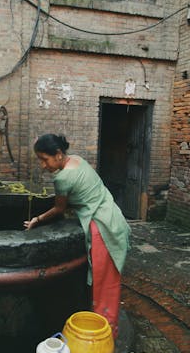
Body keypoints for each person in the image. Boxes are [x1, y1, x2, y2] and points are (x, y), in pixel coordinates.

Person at [24, 133, 130, 336]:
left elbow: (59, 209)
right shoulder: (78, 160)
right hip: (114, 217)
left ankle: (102, 335)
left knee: (103, 283)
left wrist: (37, 219)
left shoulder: (63, 178)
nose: (43, 165)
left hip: (102, 227)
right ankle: (105, 327)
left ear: (58, 154)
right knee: (109, 280)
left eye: (44, 159)